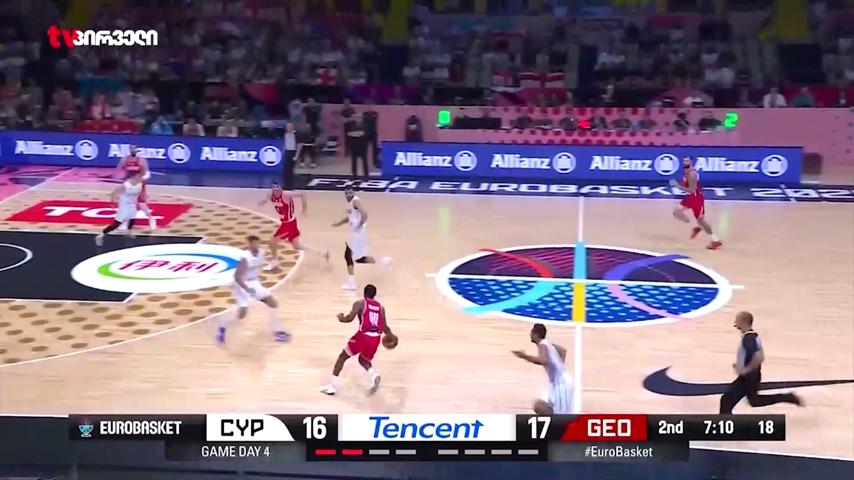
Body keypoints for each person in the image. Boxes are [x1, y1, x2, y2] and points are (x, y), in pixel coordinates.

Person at [719, 311, 803, 414]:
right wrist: (741, 365)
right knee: (752, 401)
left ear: (743, 322)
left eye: (737, 321)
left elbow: (759, 357)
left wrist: (746, 369)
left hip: (749, 377)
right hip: (750, 376)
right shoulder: (752, 336)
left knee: (727, 400)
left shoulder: (749, 339)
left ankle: (788, 397)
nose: (735, 324)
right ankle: (788, 397)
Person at [321, 284, 395, 396]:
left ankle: (331, 386)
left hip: (363, 336)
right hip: (375, 339)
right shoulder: (381, 308)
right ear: (374, 295)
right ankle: (374, 375)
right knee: (363, 359)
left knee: (342, 357)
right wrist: (391, 336)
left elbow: (349, 318)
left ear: (364, 294)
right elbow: (385, 327)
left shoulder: (360, 303)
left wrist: (341, 318)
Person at [217, 235, 289, 344]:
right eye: (254, 243)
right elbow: (237, 276)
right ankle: (223, 327)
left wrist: (274, 266)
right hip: (242, 284)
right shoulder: (245, 258)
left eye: (258, 243)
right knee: (242, 313)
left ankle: (276, 332)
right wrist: (247, 289)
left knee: (273, 303)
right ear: (250, 245)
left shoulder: (261, 252)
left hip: (254, 283)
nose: (257, 245)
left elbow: (271, 247)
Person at [332, 187, 391, 291]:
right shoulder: (350, 203)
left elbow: (365, 214)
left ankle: (352, 283)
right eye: (346, 193)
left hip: (358, 233)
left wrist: (359, 225)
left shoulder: (356, 201)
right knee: (359, 259)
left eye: (350, 193)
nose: (348, 195)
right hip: (356, 233)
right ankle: (384, 261)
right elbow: (350, 217)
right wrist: (339, 223)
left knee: (348, 255)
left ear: (353, 193)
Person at [260, 182, 328, 271]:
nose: (276, 189)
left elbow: (303, 194)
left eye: (278, 187)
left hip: (289, 224)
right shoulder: (270, 195)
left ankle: (274, 262)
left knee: (273, 241)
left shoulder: (286, 194)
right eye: (274, 187)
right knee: (297, 246)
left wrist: (304, 209)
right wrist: (263, 202)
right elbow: (267, 199)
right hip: (288, 223)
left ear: (281, 188)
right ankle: (322, 253)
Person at [512, 323, 573, 414]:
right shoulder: (548, 344)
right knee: (539, 406)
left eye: (531, 332)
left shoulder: (542, 345)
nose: (530, 334)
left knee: (561, 416)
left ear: (535, 334)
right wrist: (559, 367)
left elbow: (543, 360)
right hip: (556, 383)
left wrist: (524, 356)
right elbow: (563, 350)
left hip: (562, 385)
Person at [670, 156, 723, 250]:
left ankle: (715, 240)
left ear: (691, 162)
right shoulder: (687, 172)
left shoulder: (692, 174)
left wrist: (677, 186)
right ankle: (696, 227)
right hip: (690, 198)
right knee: (676, 212)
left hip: (696, 199)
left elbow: (691, 190)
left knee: (701, 220)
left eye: (687, 161)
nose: (685, 162)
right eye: (684, 160)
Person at [95, 172, 143, 246]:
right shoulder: (125, 185)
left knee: (132, 218)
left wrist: (138, 203)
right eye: (139, 177)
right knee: (116, 224)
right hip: (124, 207)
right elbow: (114, 193)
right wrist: (112, 203)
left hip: (132, 205)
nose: (140, 178)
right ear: (133, 177)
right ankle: (100, 235)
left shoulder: (139, 185)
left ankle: (129, 231)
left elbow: (137, 195)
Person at [115, 145, 156, 230]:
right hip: (129, 183)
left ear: (137, 150)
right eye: (131, 149)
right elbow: (118, 169)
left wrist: (140, 180)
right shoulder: (124, 159)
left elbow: (147, 174)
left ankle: (151, 219)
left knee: (142, 204)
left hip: (139, 183)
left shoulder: (141, 160)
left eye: (134, 149)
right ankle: (126, 222)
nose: (133, 150)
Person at [282, 121, 298, 188]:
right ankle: (286, 184)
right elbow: (285, 143)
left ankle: (291, 185)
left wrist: (297, 155)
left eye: (290, 126)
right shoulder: (285, 134)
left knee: (290, 169)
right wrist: (283, 151)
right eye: (287, 126)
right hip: (287, 152)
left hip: (293, 152)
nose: (288, 128)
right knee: (285, 169)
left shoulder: (296, 134)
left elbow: (299, 145)